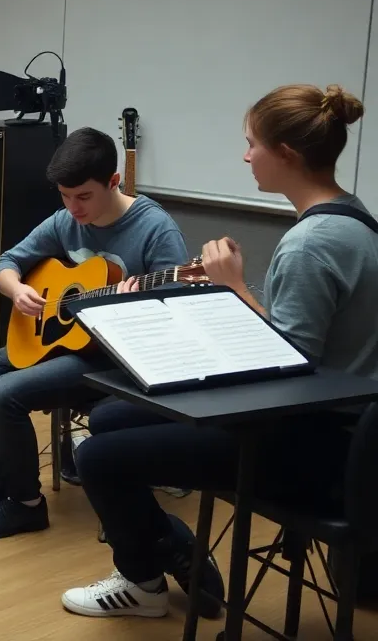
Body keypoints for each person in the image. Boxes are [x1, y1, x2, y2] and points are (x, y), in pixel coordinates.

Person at [62, 84, 376, 619]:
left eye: (252, 143)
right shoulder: (355, 216)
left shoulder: (311, 244)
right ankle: (171, 545)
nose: (245, 154)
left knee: (96, 455)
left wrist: (233, 291)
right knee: (111, 415)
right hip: (340, 431)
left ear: (288, 156)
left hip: (318, 446)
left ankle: (143, 582)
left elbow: (292, 366)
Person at [0, 127, 190, 539]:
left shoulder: (155, 229)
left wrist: (130, 307)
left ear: (113, 182)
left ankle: (26, 505)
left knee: (7, 395)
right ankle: (7, 476)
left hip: (115, 359)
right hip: (66, 341)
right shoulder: (66, 219)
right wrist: (18, 289)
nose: (72, 208)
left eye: (83, 196)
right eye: (64, 196)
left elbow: (178, 313)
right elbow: (5, 262)